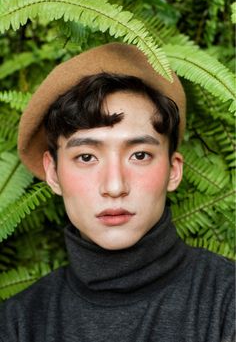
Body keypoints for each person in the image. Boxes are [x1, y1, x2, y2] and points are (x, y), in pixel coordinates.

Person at [0, 43, 234, 342]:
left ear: (174, 171)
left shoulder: (227, 304)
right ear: (53, 173)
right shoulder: (17, 324)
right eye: (86, 157)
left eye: (139, 155)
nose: (114, 186)